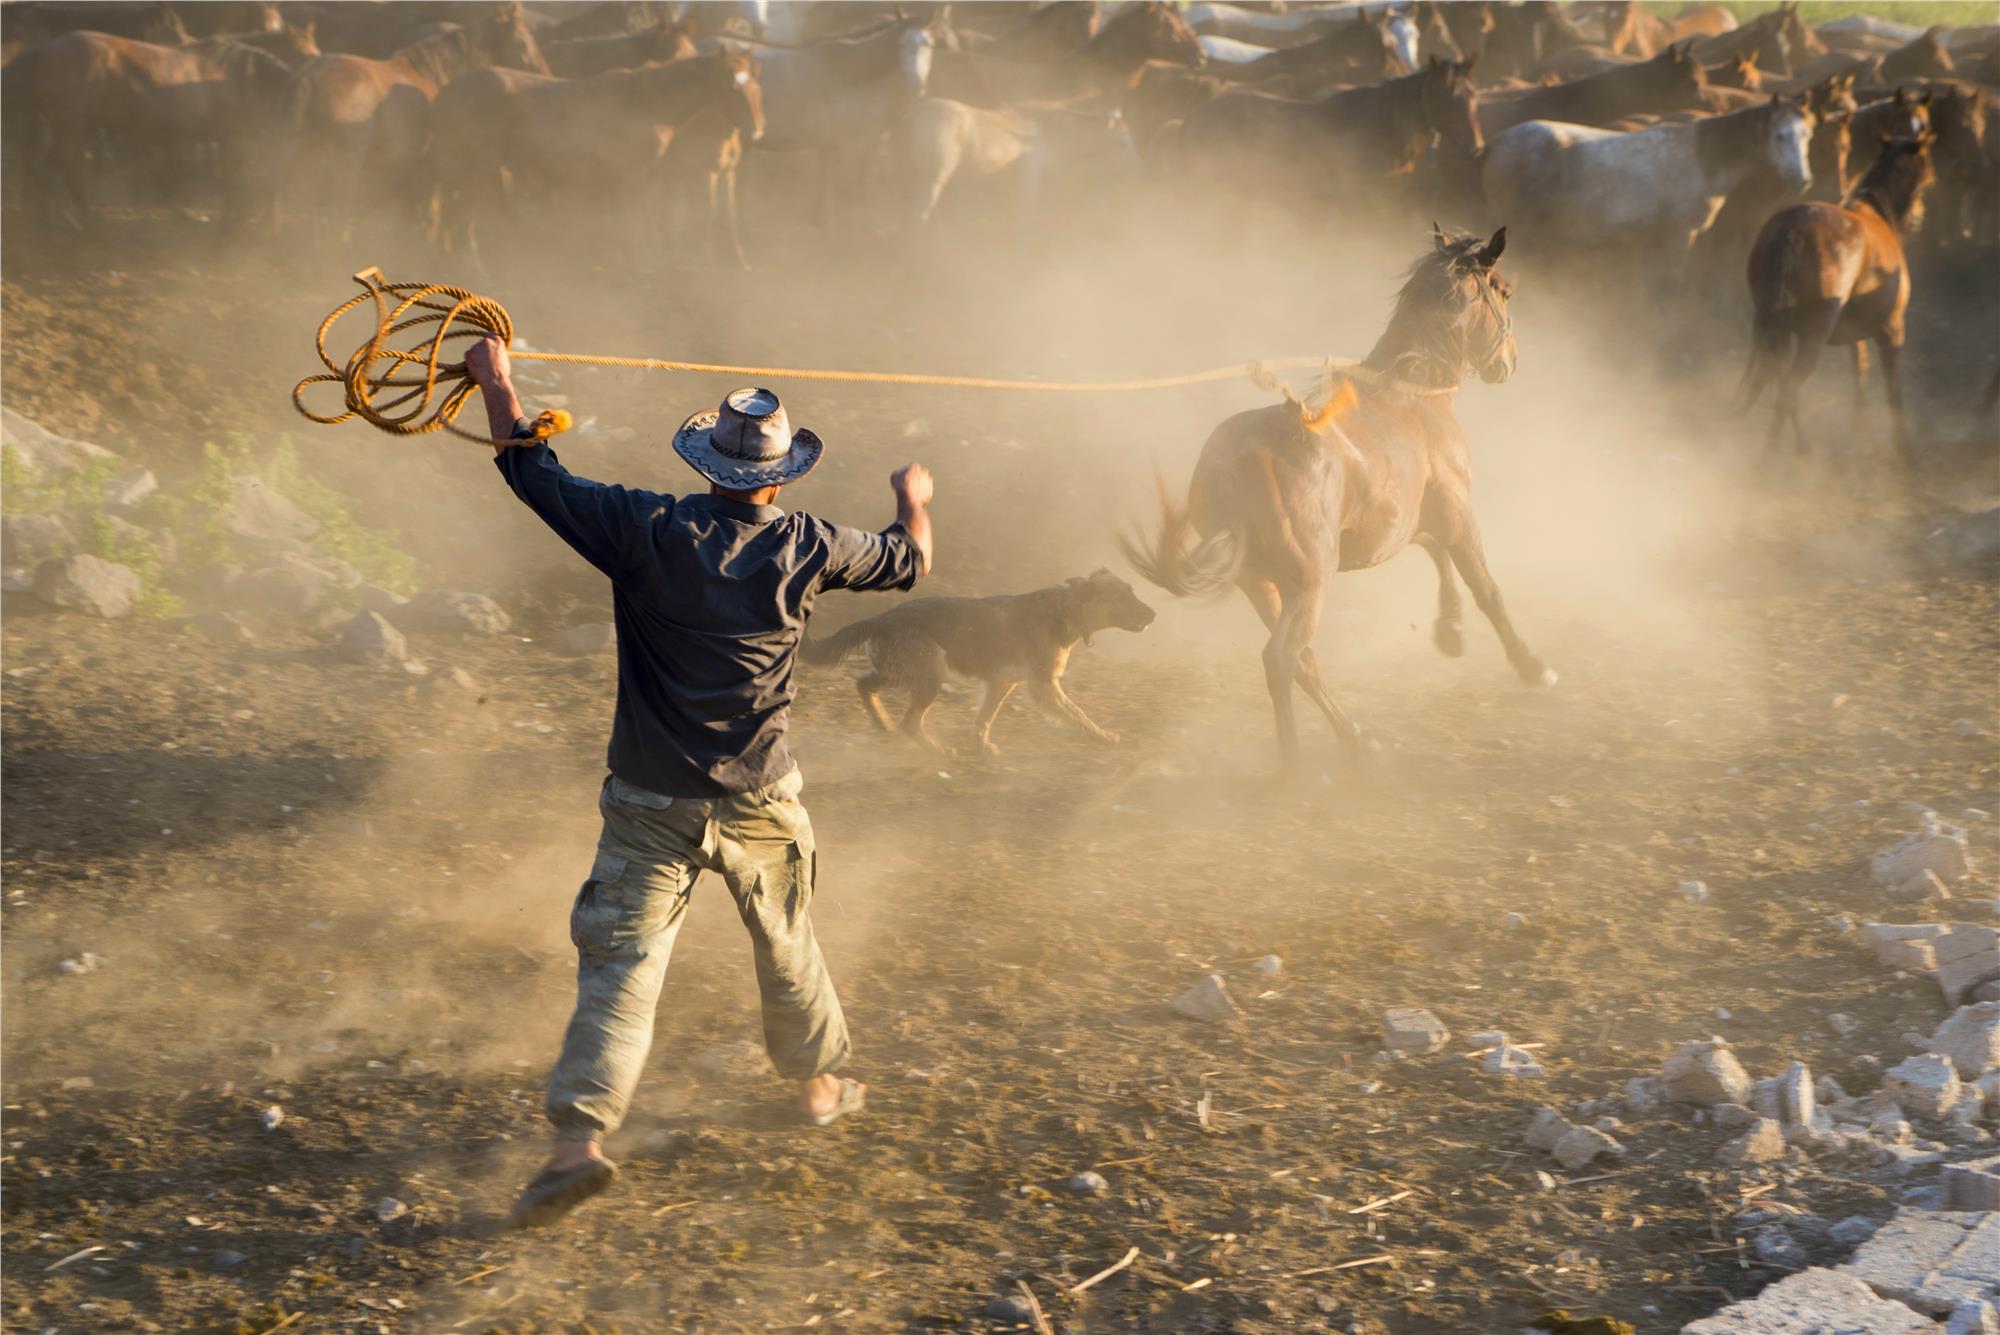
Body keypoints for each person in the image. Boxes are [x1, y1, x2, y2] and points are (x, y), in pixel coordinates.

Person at [461, 336, 933, 1229]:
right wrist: (913, 498)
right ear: (781, 477)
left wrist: (497, 381)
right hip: (763, 797)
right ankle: (819, 1090)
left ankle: (577, 1143)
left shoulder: (647, 529)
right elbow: (910, 561)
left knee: (621, 966)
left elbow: (533, 473)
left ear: (708, 464)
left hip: (647, 800)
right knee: (787, 941)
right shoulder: (809, 543)